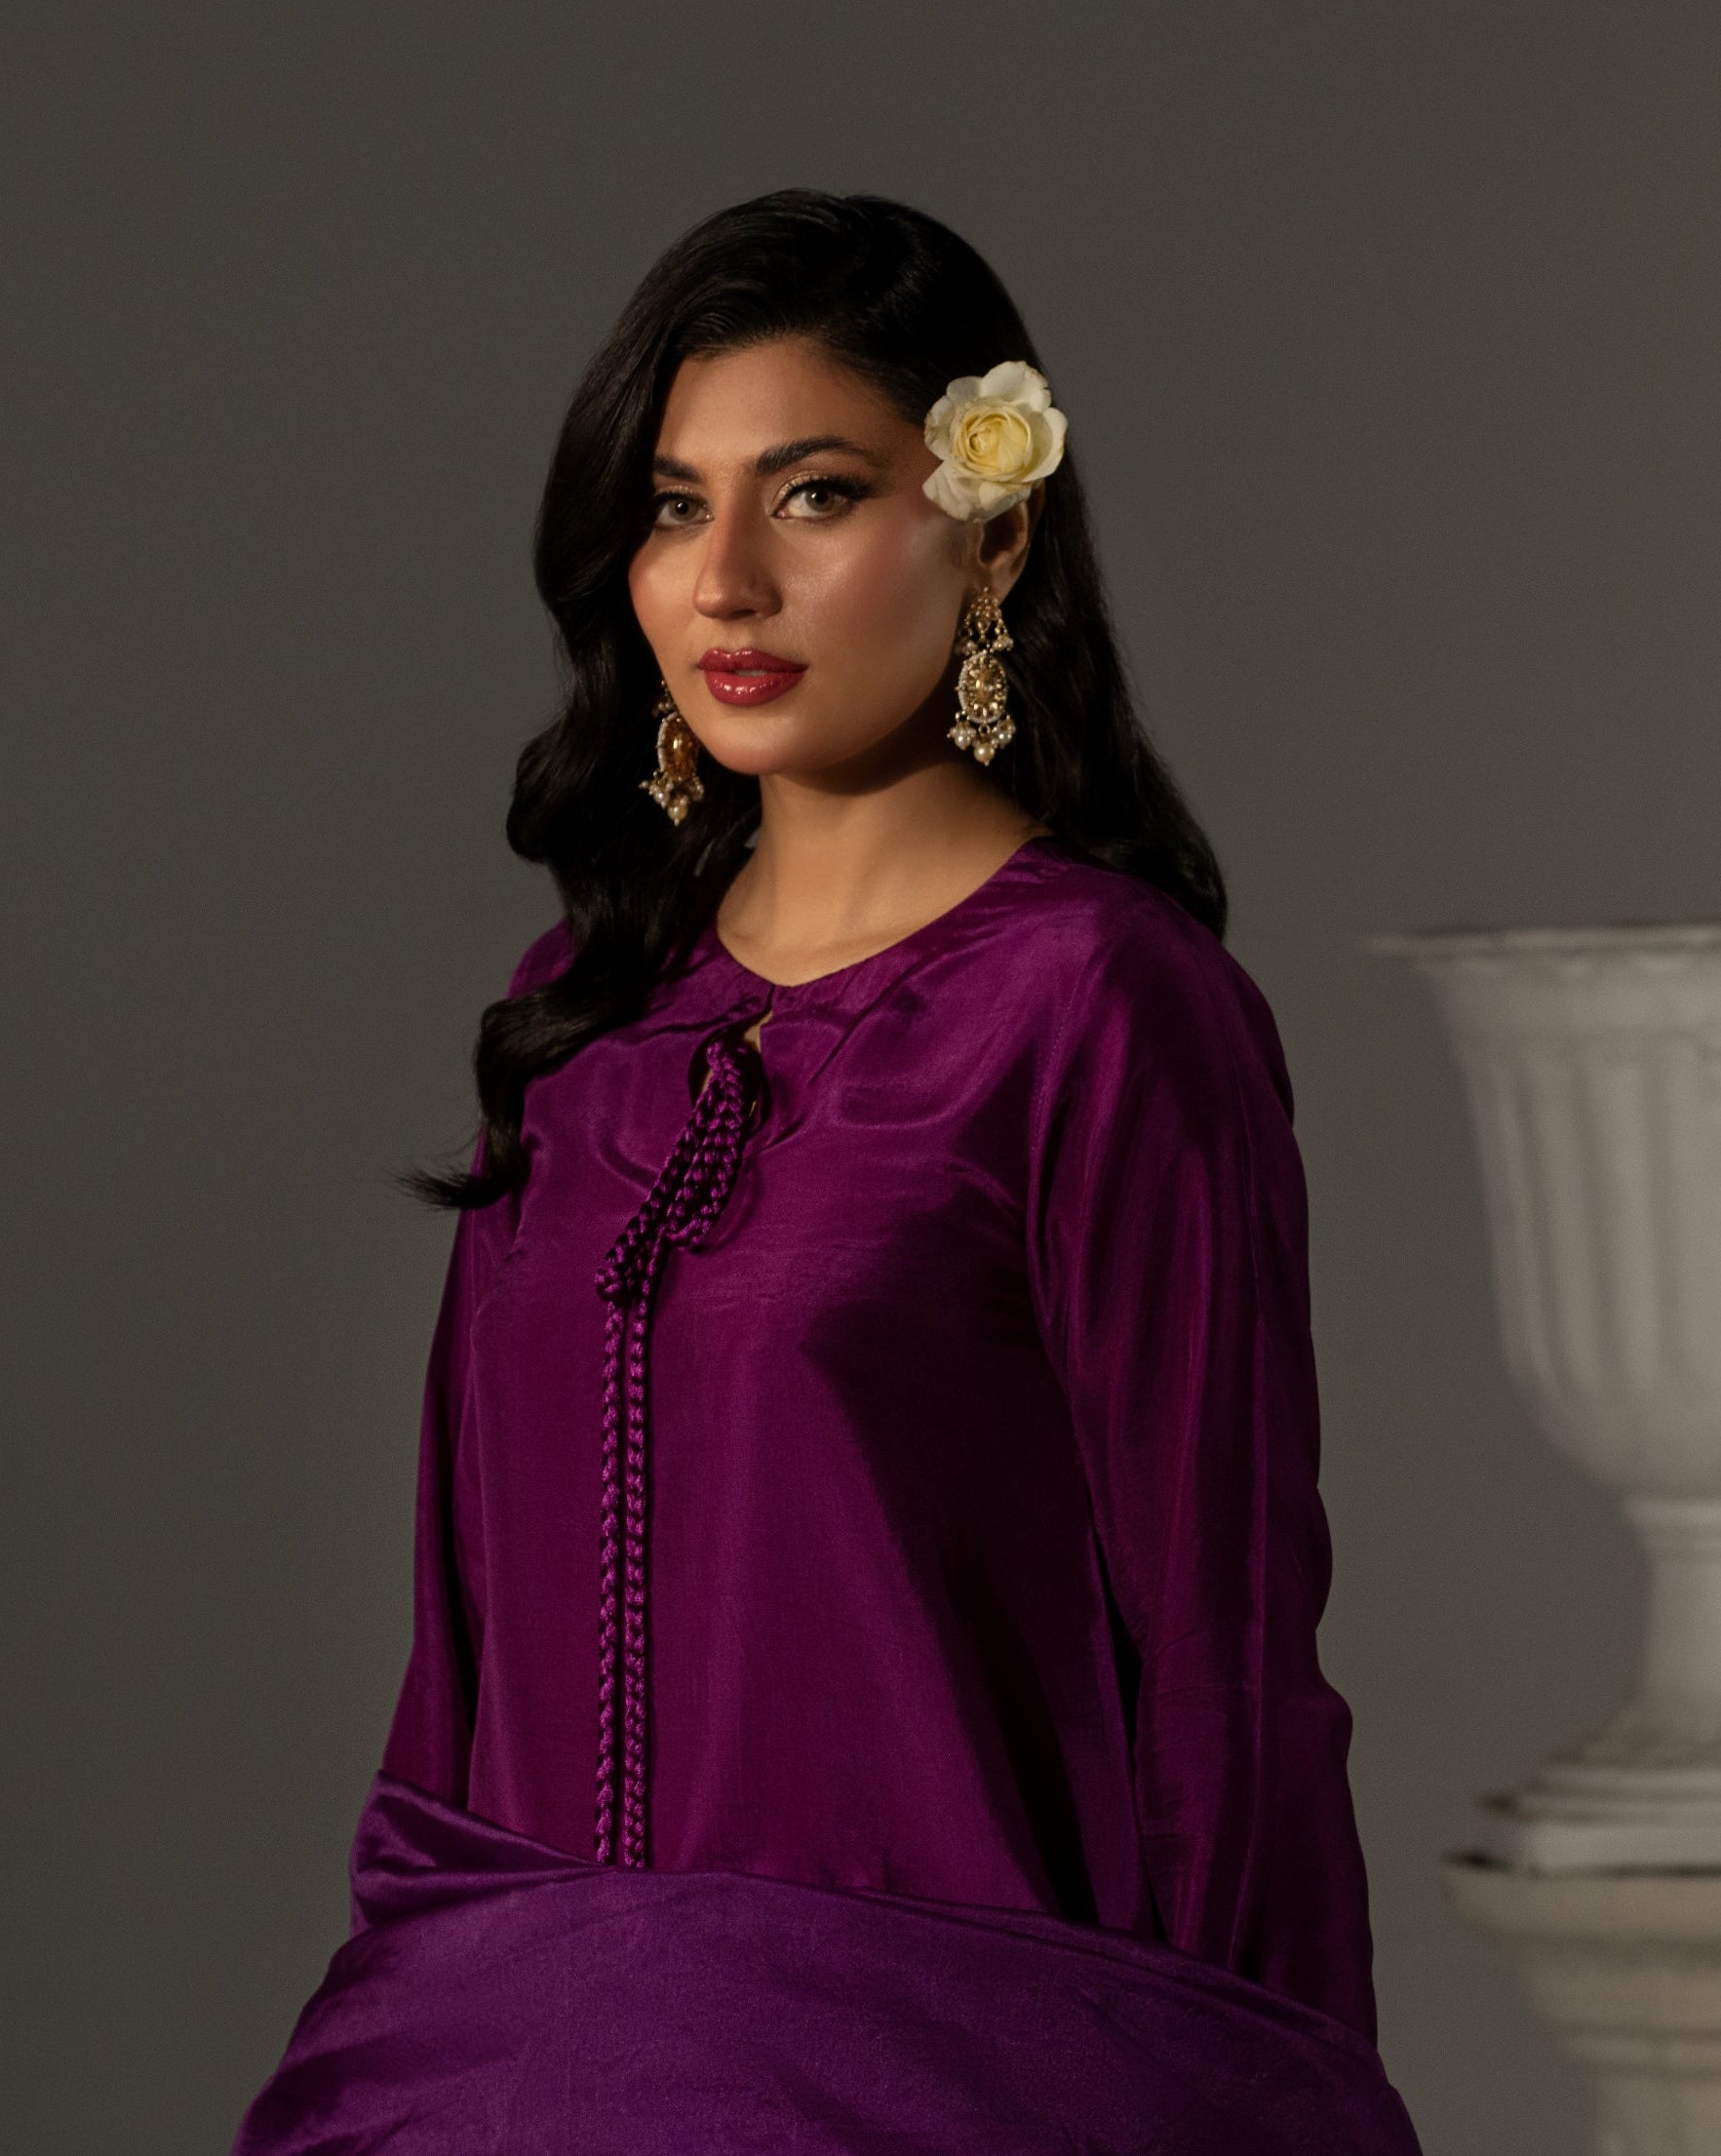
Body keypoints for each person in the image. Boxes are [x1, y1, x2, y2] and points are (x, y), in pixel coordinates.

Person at [233, 192, 1422, 2153]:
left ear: (988, 526)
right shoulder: (579, 1014)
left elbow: (1226, 1679)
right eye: (669, 504)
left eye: (809, 495)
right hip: (489, 2080)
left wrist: (1254, 2099)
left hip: (943, 2092)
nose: (724, 583)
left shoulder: (1103, 1007)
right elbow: (456, 1663)